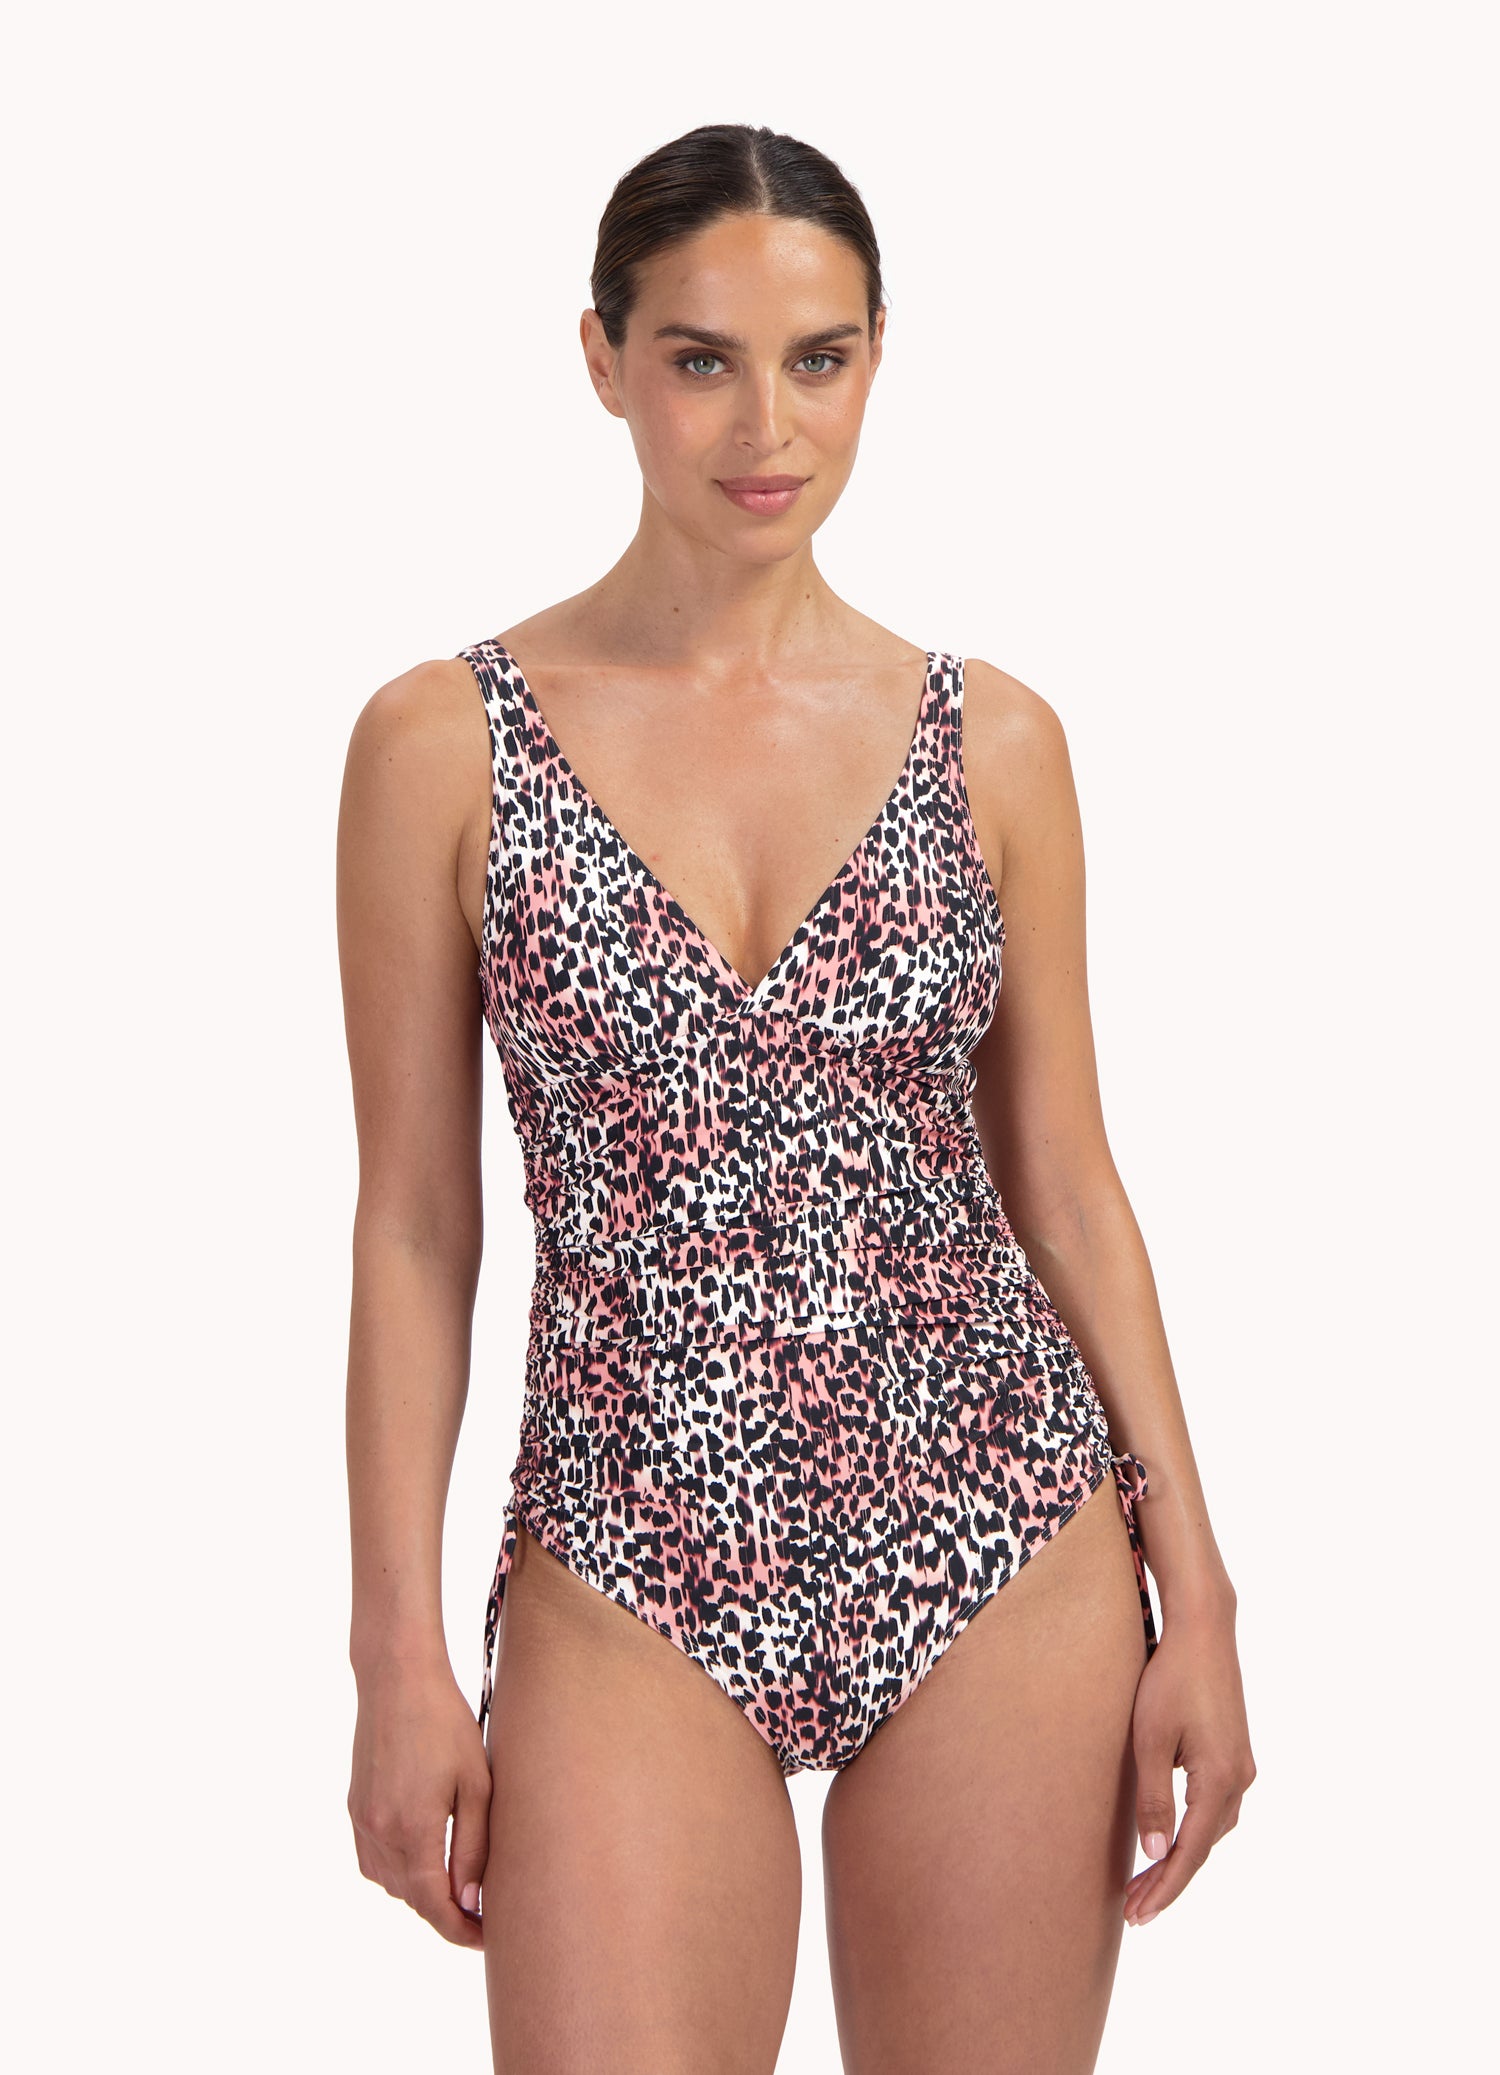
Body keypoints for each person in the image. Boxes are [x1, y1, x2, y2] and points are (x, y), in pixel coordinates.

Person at [338, 121, 1255, 2074]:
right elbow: (416, 1224)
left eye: (819, 359)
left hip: (996, 1516)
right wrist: (394, 1651)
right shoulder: (441, 746)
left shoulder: (994, 742)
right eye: (703, 360)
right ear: (602, 358)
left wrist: (1203, 1593)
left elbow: (1068, 1183)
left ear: (877, 356)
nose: (769, 426)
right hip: (627, 1541)